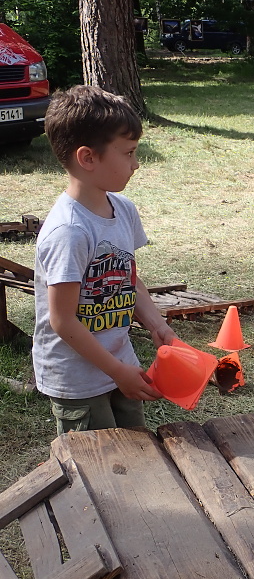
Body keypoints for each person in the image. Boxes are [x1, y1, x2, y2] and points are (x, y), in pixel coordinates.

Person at [35, 85, 178, 434]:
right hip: (77, 377)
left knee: (139, 450)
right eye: (128, 153)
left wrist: (157, 325)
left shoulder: (123, 210)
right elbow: (63, 321)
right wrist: (116, 371)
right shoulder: (69, 231)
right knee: (96, 466)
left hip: (120, 361)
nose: (136, 163)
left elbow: (129, 278)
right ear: (88, 158)